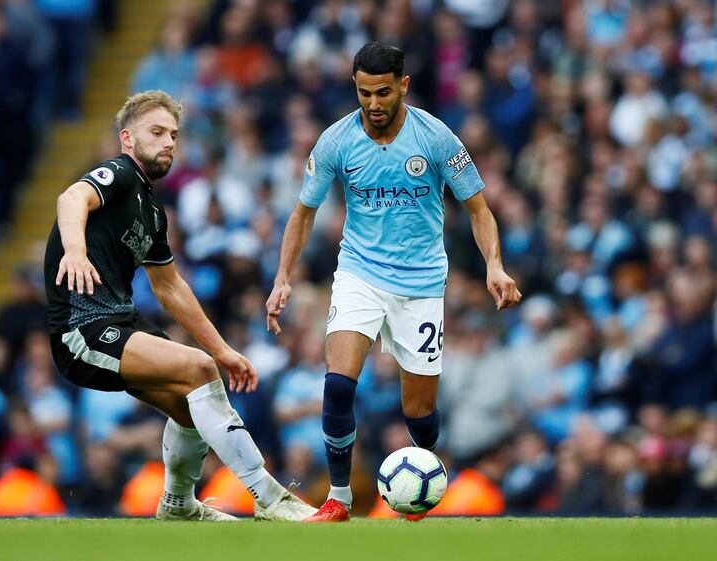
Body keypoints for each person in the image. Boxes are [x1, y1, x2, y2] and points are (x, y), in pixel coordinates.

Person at [266, 43, 522, 522]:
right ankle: (338, 500)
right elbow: (303, 214)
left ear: (403, 85)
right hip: (359, 274)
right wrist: (283, 277)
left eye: (383, 92)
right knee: (338, 387)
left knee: (419, 417)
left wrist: (494, 265)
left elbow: (478, 208)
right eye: (364, 93)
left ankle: (421, 495)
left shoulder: (437, 138)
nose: (373, 104)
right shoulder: (336, 142)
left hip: (422, 284)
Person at [44, 90, 315, 522]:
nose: (169, 141)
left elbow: (170, 288)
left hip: (119, 320)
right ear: (128, 138)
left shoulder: (152, 211)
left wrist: (223, 350)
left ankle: (179, 506)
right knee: (200, 371)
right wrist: (74, 250)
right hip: (84, 328)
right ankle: (270, 496)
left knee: (194, 406)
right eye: (156, 132)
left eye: (173, 134)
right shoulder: (119, 173)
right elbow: (71, 198)